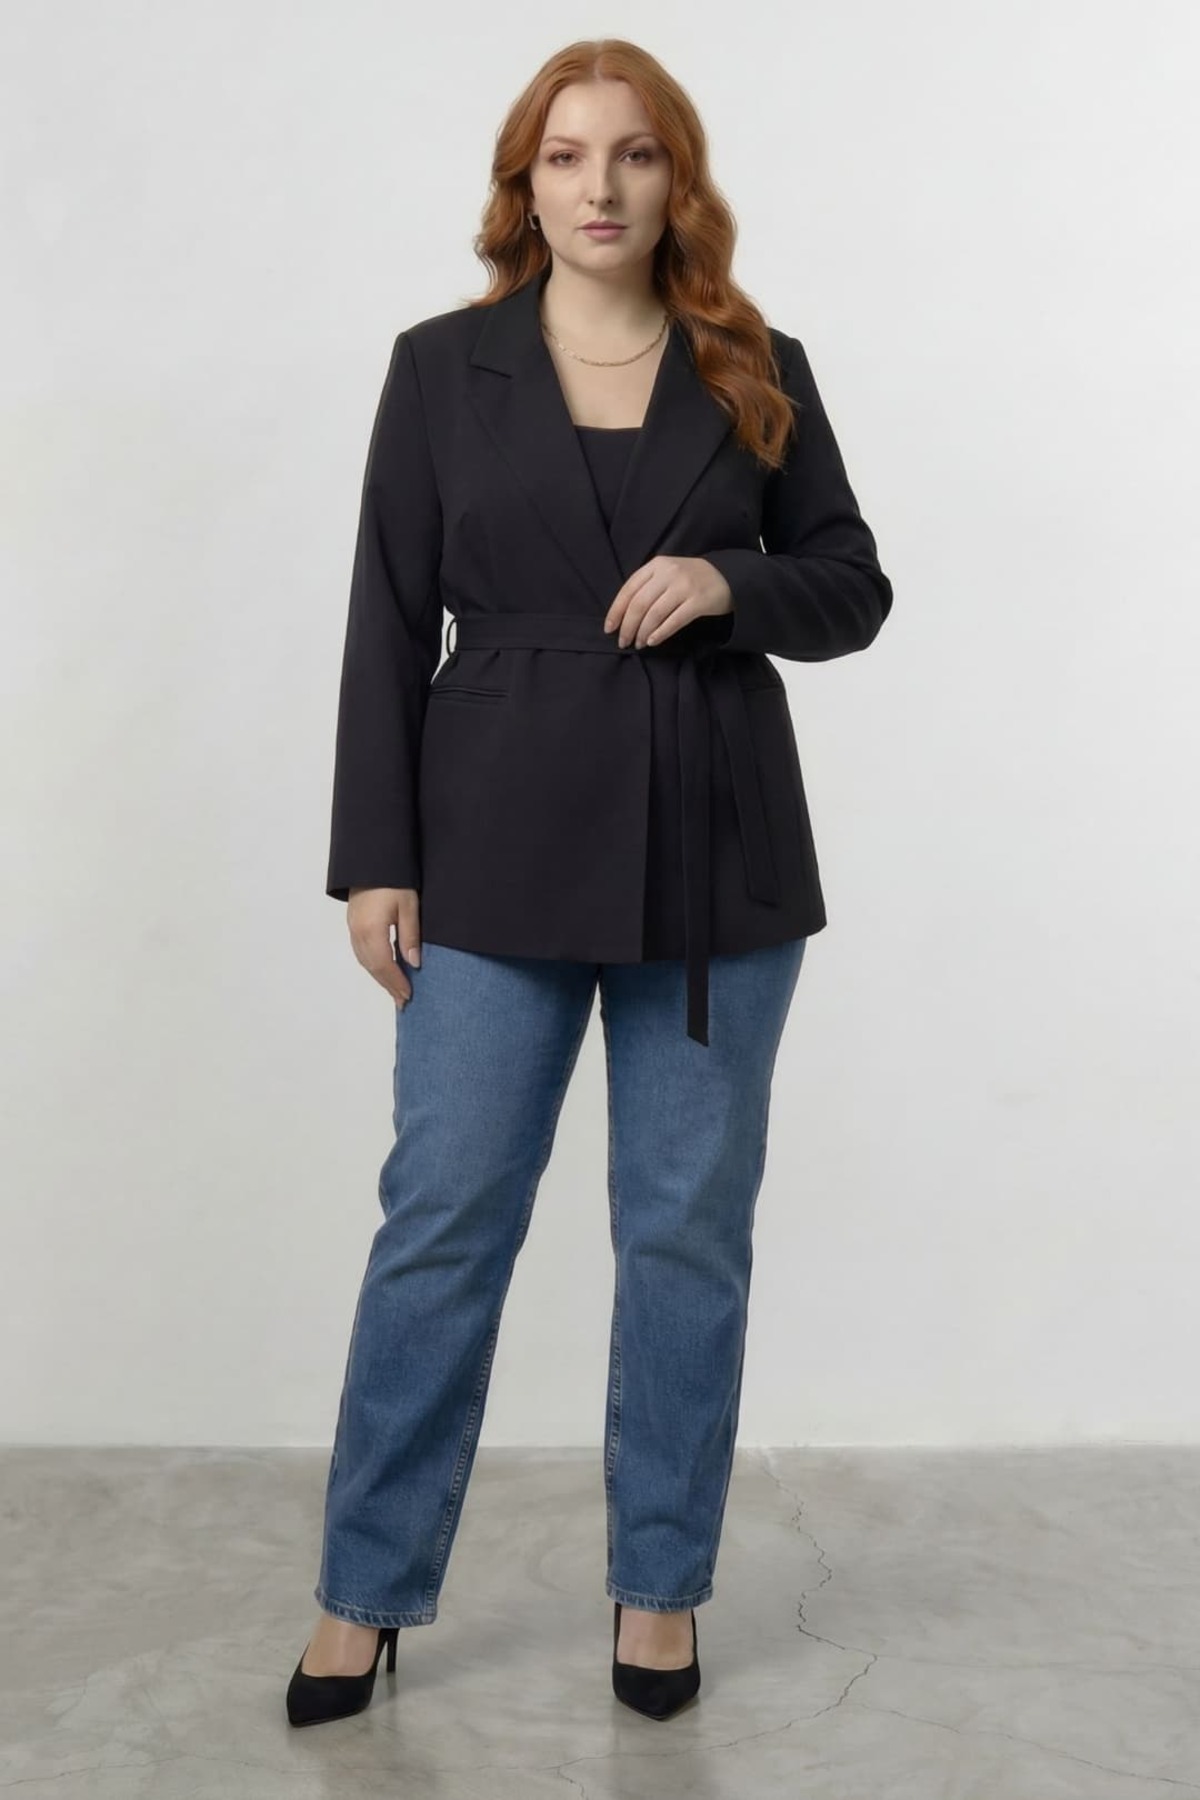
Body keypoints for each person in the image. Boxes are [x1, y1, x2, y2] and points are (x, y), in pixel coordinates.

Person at [287, 36, 893, 1728]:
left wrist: (729, 580)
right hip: (488, 846)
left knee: (685, 1234)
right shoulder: (440, 368)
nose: (601, 186)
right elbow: (386, 616)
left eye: (634, 155)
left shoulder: (758, 364)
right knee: (443, 1221)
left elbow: (853, 583)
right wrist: (375, 861)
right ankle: (363, 1591)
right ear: (525, 184)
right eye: (566, 157)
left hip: (717, 854)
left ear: (675, 179)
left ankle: (660, 1589)